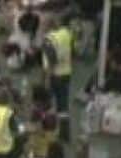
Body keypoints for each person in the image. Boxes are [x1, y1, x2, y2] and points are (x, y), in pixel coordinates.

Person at [42, 13, 74, 143]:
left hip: (54, 75)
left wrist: (46, 79)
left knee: (47, 105)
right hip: (66, 73)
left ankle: (47, 134)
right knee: (63, 106)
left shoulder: (49, 39)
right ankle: (65, 134)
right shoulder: (66, 34)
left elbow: (51, 60)